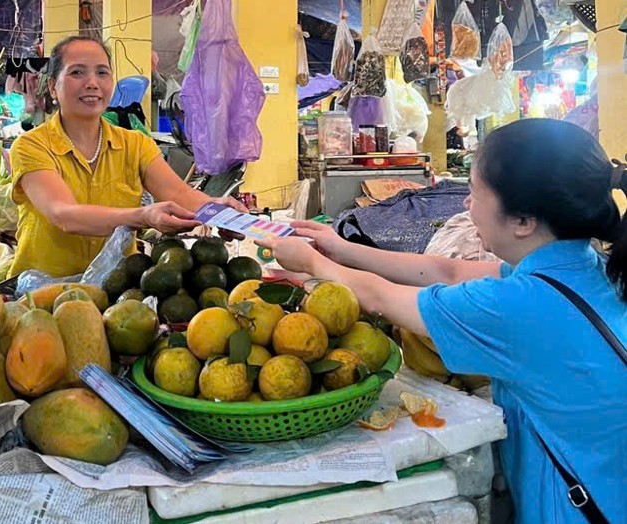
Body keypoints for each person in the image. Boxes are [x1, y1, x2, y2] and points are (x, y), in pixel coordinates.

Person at [259, 119, 626, 523]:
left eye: (474, 191)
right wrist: (340, 249)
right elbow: (447, 271)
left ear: (523, 220)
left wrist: (310, 261)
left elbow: (382, 300)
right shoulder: (587, 268)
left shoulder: (516, 308)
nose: (466, 205)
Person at [8, 36, 244, 278]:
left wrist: (216, 209)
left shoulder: (135, 144)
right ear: (52, 87)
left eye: (102, 73)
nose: (92, 83)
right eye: (77, 72)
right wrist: (142, 217)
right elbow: (64, 214)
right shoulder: (31, 146)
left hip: (118, 294)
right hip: (40, 296)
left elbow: (178, 194)